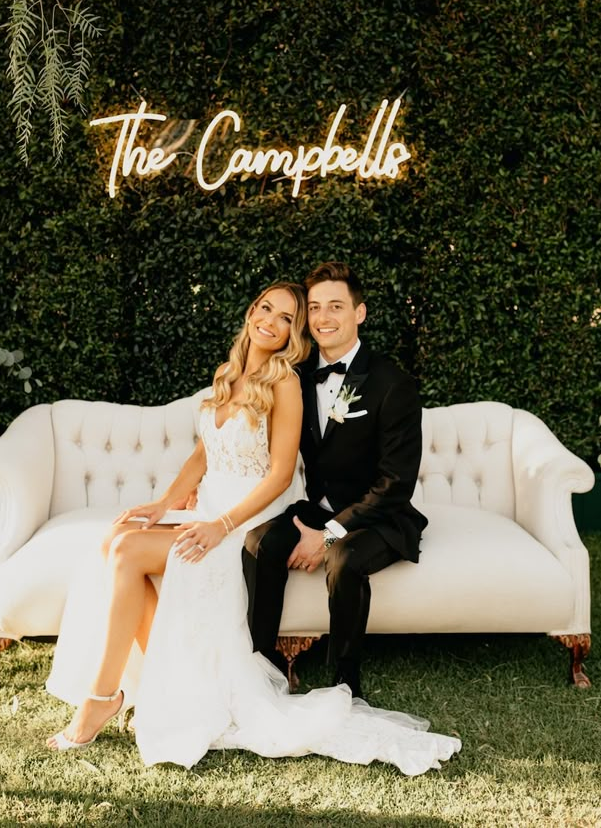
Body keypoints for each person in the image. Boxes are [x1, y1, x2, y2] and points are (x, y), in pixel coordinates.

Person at [45, 278, 460, 774]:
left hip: (257, 515)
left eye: (288, 317)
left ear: (354, 314)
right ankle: (161, 681)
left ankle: (103, 697)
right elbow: (205, 451)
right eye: (270, 309)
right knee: (115, 540)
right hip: (223, 506)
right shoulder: (231, 372)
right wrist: (162, 503)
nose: (274, 321)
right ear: (250, 311)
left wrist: (225, 525)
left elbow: (291, 473)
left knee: (128, 553)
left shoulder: (297, 380)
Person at [244, 262, 427, 700]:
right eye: (316, 308)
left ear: (359, 313)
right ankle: (264, 666)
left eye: (336, 307)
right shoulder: (298, 373)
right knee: (259, 542)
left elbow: (395, 483)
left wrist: (327, 536)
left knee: (343, 559)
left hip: (380, 515)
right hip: (320, 505)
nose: (324, 318)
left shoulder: (392, 383)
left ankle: (347, 681)